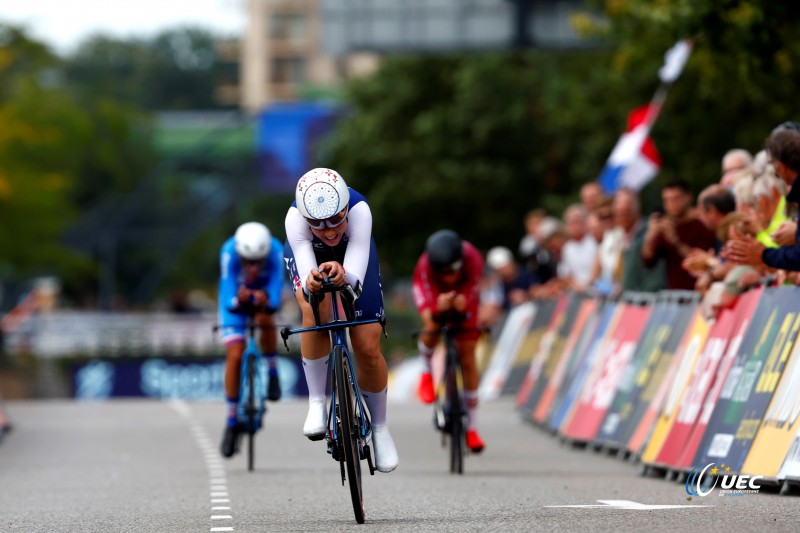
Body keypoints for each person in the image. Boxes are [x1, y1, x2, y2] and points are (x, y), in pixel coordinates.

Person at [283, 167, 398, 473]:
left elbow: (356, 281)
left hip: (354, 257)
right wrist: (314, 283)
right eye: (319, 225)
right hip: (312, 258)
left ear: (346, 208)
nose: (331, 231)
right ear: (306, 220)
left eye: (336, 220)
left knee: (366, 344)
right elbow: (308, 286)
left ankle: (381, 429)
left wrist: (345, 274)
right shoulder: (294, 220)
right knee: (311, 310)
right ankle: (317, 402)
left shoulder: (360, 211)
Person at [412, 229, 486, 453]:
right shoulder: (425, 265)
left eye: (453, 269)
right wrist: (437, 309)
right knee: (432, 325)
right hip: (435, 294)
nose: (449, 276)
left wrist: (462, 301)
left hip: (465, 295)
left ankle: (472, 428)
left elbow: (474, 289)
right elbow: (425, 306)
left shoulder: (472, 257)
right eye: (443, 272)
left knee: (468, 356)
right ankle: (426, 372)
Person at [218, 222, 285, 458]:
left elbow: (276, 293)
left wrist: (265, 299)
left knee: (267, 320)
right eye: (248, 261)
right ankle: (231, 418)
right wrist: (238, 299)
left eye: (259, 261)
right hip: (236, 299)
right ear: (240, 254)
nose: (253, 266)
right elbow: (227, 295)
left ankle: (273, 372)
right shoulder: (228, 252)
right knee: (235, 356)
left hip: (263, 296)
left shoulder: (277, 250)